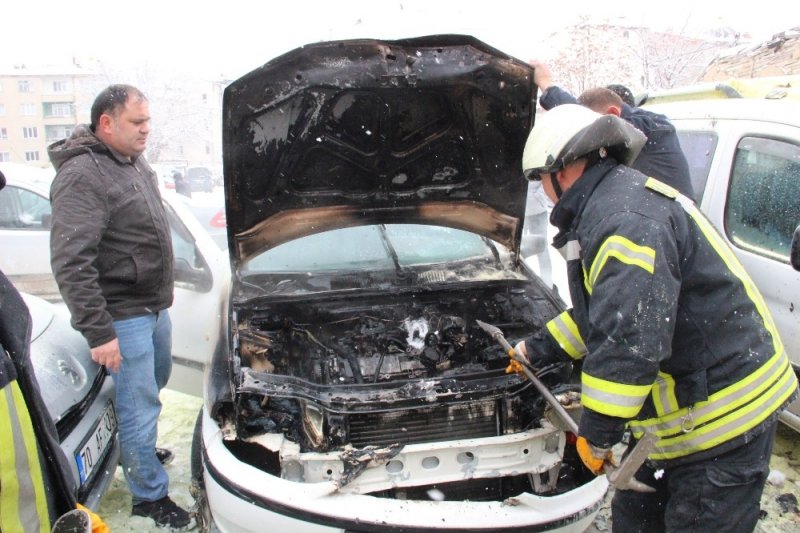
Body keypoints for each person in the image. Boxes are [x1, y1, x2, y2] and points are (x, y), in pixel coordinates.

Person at [516, 104, 798, 532]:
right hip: (678, 421)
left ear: (566, 167)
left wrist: (598, 431)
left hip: (722, 420)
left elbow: (629, 339)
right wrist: (534, 349)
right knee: (634, 520)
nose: (543, 192)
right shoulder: (612, 203)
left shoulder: (623, 220)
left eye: (540, 180)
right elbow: (605, 311)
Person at [47, 85, 192, 530]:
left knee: (153, 385)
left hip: (151, 308)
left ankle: (139, 453)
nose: (146, 129)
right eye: (137, 122)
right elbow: (72, 260)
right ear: (106, 123)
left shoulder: (130, 161)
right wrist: (100, 331)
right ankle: (148, 496)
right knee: (138, 403)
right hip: (122, 315)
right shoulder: (83, 175)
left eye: (148, 120)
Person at [530, 60, 696, 200]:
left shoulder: (651, 127)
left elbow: (585, 121)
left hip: (674, 232)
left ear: (613, 114)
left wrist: (546, 84)